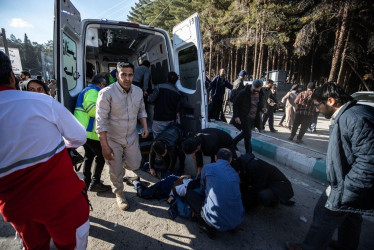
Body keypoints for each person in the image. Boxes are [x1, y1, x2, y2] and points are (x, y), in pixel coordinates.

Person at [0, 51, 90, 249]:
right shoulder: (43, 103)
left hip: (17, 209)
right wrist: (57, 144)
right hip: (62, 202)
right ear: (11, 78)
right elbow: (78, 137)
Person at [286, 82, 374, 250]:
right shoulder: (349, 114)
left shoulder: (354, 118)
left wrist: (348, 188)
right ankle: (346, 245)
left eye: (318, 105)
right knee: (351, 216)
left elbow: (369, 160)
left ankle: (309, 247)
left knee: (325, 213)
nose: (317, 110)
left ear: (331, 101)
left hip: (350, 184)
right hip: (350, 180)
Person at [96, 61, 149, 211]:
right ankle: (119, 193)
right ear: (117, 75)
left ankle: (122, 165)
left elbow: (142, 110)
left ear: (133, 75)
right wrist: (104, 146)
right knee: (115, 169)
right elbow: (101, 121)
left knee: (135, 165)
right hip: (113, 139)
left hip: (132, 136)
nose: (127, 78)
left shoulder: (138, 91)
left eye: (130, 75)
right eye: (123, 74)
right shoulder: (106, 93)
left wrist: (144, 127)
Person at [185, 148, 244, 238]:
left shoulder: (208, 168)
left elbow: (202, 189)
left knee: (189, 194)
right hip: (237, 220)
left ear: (215, 158)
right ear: (230, 160)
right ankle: (230, 224)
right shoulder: (235, 174)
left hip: (215, 220)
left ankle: (207, 227)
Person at [74, 74, 111, 192]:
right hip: (89, 132)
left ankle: (87, 180)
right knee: (102, 155)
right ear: (101, 84)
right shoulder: (93, 92)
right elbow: (92, 110)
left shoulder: (88, 90)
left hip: (84, 131)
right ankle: (95, 182)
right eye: (104, 86)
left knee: (89, 156)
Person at [231, 79, 265, 154]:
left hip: (254, 117)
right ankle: (249, 153)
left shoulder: (261, 93)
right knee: (248, 135)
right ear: (253, 86)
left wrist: (263, 108)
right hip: (245, 117)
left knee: (245, 133)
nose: (256, 91)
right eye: (255, 89)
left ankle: (233, 143)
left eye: (258, 89)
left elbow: (260, 104)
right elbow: (235, 104)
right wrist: (236, 116)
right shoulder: (243, 93)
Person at [148, 71, 182, 138]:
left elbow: (150, 99)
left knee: (157, 139)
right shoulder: (178, 93)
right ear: (176, 81)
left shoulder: (159, 87)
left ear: (167, 79)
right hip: (170, 120)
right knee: (168, 138)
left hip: (158, 119)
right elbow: (177, 109)